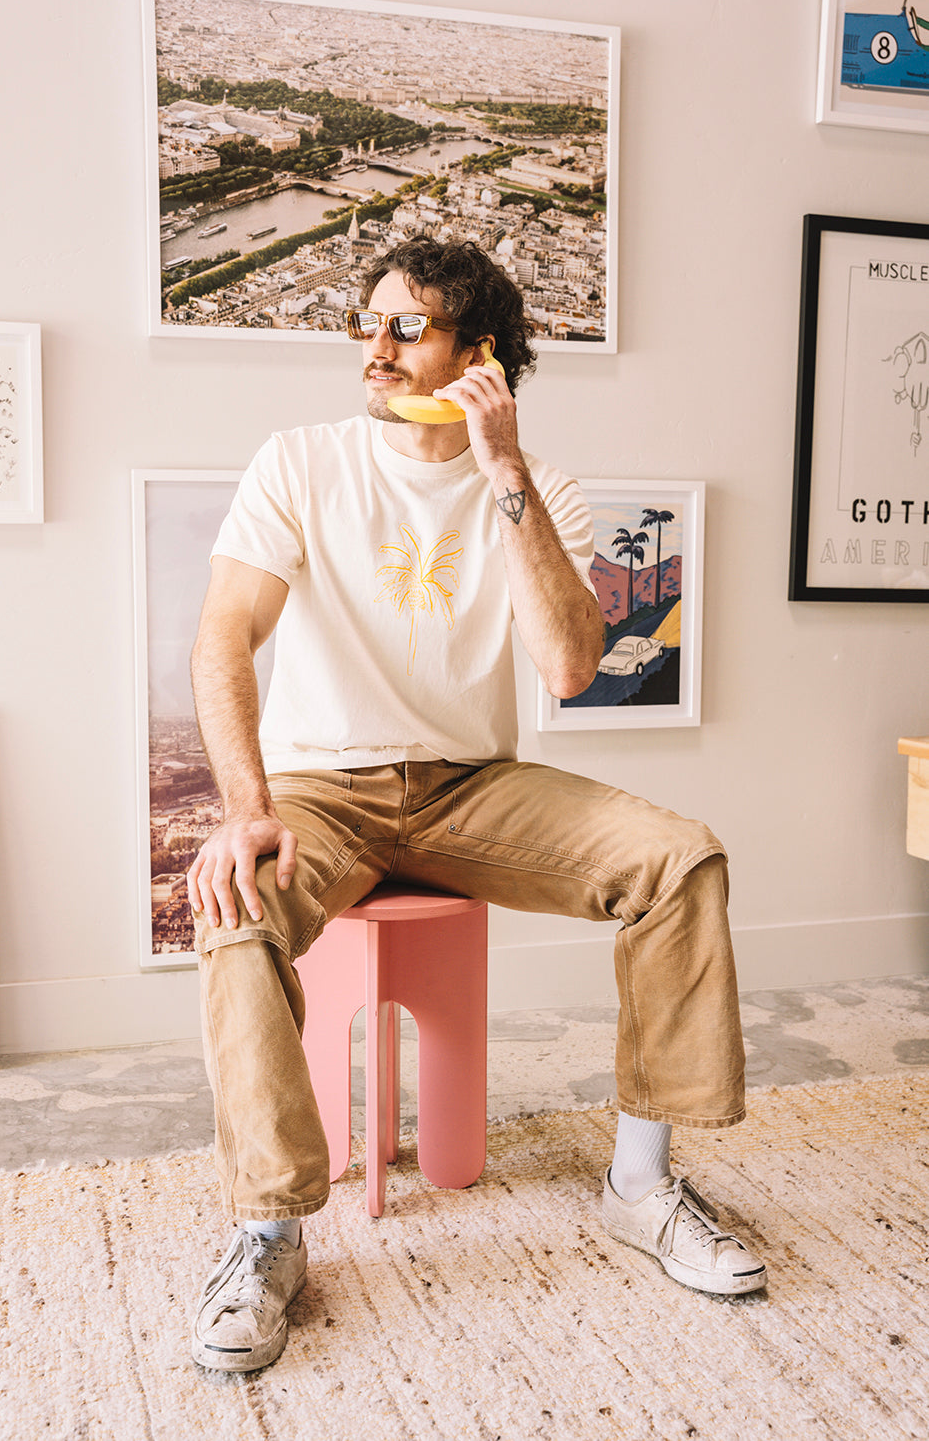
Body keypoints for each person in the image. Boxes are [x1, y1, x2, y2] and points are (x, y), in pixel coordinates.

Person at [186, 235, 765, 1374]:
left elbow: (563, 666)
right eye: (368, 323)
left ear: (477, 354)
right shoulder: (299, 461)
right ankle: (267, 1232)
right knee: (233, 904)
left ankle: (640, 1185)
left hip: (470, 788)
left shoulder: (540, 490)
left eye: (406, 327)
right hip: (324, 789)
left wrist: (502, 470)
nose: (375, 348)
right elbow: (224, 635)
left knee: (677, 857)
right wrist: (248, 805)